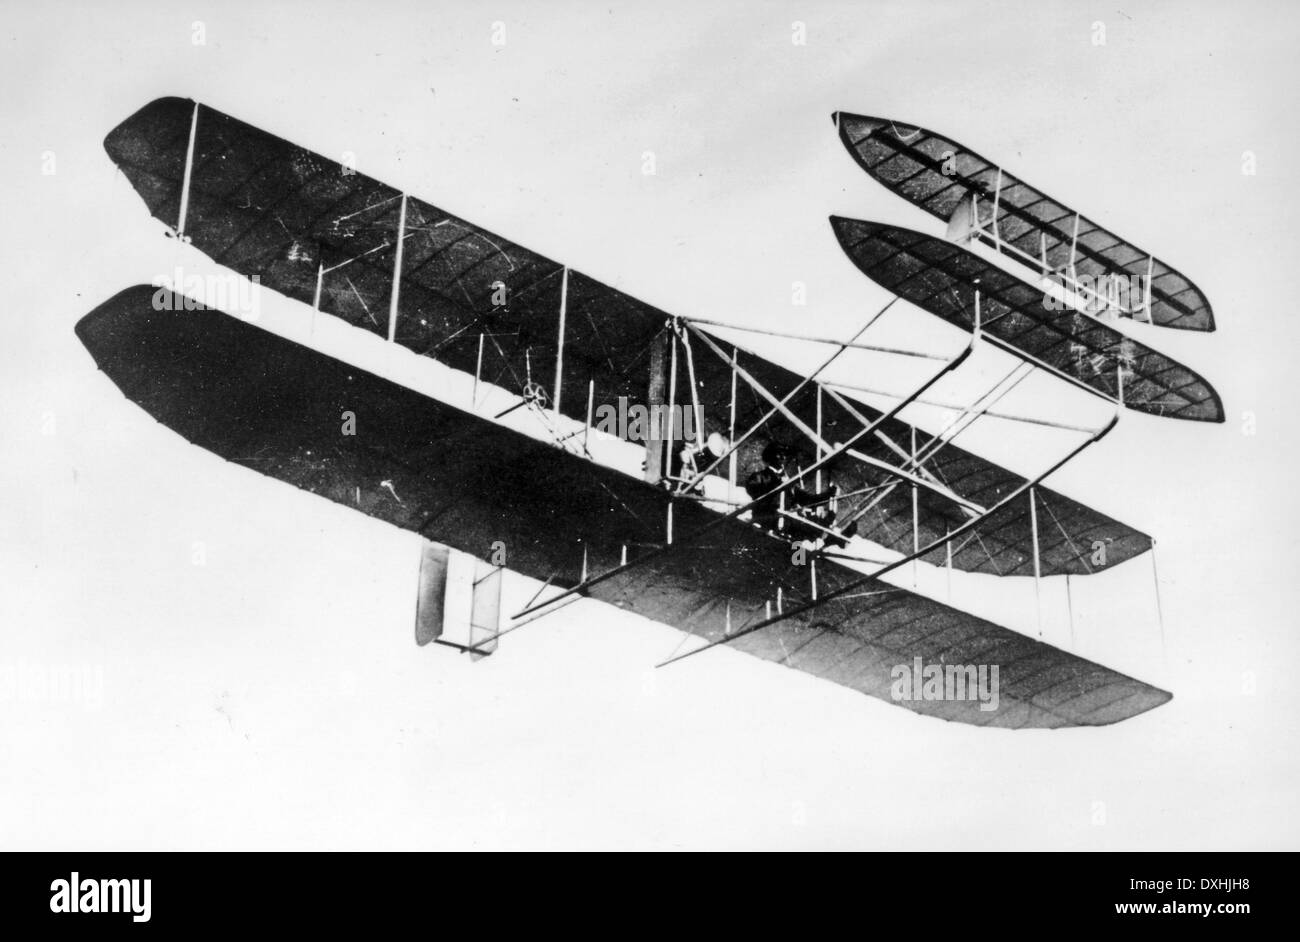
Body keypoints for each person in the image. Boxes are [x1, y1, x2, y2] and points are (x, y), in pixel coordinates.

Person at [744, 442, 841, 543]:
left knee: (810, 526)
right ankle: (829, 539)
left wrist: (829, 494)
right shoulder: (761, 476)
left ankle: (831, 537)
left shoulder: (788, 483)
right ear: (770, 456)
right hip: (767, 518)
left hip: (784, 521)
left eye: (784, 454)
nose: (782, 457)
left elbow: (808, 500)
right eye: (778, 454)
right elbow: (752, 488)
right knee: (803, 529)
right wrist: (776, 482)